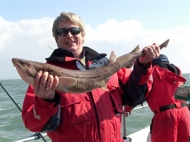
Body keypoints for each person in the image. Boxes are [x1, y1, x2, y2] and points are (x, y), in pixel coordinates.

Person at [21, 12, 160, 142]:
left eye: (74, 31)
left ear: (83, 35)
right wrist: (45, 101)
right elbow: (33, 125)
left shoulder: (107, 66)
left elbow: (135, 96)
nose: (69, 35)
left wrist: (143, 65)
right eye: (62, 32)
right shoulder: (45, 76)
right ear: (56, 38)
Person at [146, 54, 190, 142]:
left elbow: (143, 91)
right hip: (185, 114)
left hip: (165, 117)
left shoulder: (152, 72)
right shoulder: (178, 72)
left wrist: (129, 106)